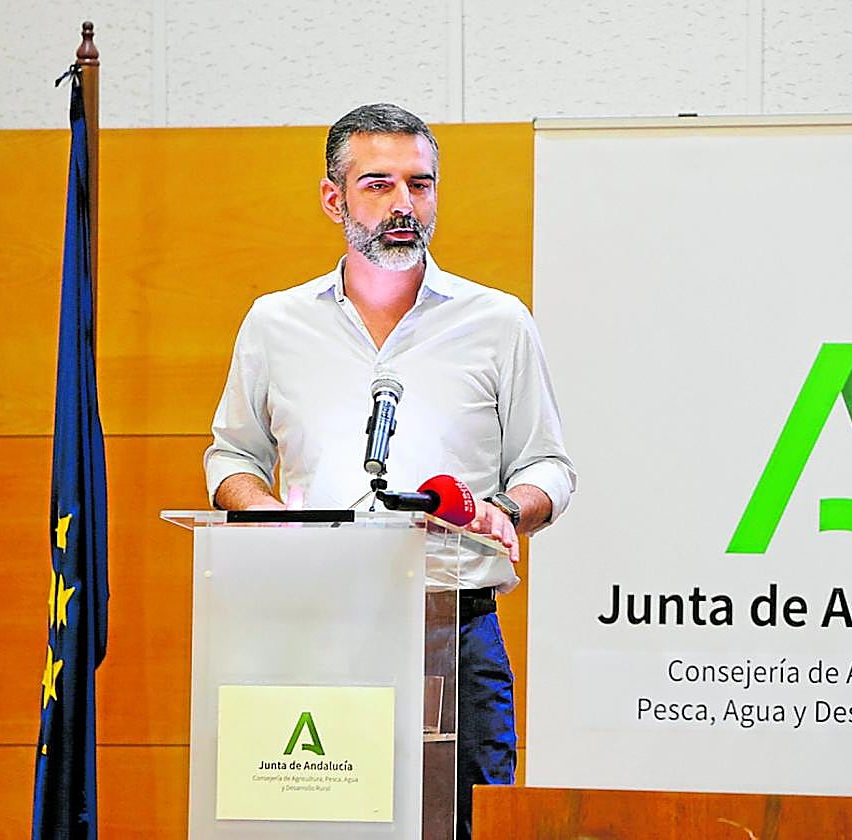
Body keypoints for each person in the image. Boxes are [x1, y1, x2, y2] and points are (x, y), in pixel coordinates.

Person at [203, 102, 576, 840]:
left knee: (468, 826)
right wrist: (263, 511)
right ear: (333, 198)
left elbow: (549, 465)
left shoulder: (496, 322)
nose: (404, 203)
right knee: (318, 829)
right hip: (316, 620)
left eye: (420, 184)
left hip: (453, 627)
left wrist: (506, 509)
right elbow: (231, 457)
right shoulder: (275, 324)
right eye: (379, 184)